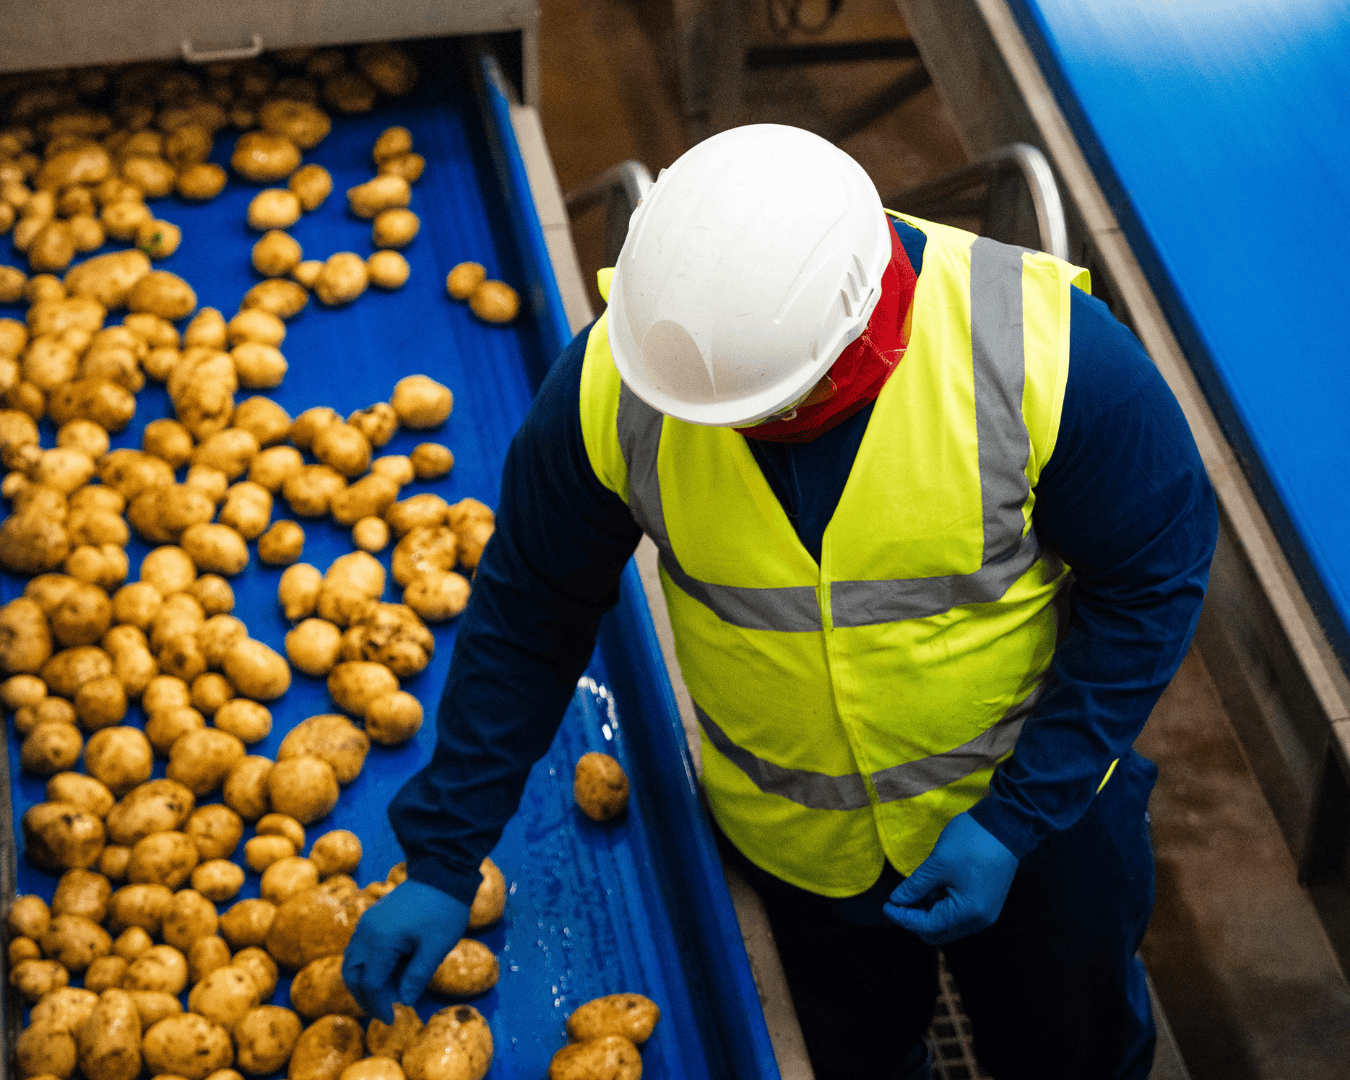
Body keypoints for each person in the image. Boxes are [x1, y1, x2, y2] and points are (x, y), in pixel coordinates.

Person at [343, 124, 1217, 1080]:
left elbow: (1152, 585)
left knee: (1071, 1054)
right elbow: (529, 611)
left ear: (861, 327)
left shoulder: (1047, 356)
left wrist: (1017, 816)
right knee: (849, 1059)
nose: (744, 430)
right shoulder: (625, 384)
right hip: (803, 861)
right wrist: (441, 855)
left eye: (772, 406)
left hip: (1045, 839)